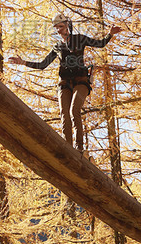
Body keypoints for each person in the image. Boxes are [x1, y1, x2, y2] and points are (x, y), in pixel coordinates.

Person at [10, 13, 121, 152]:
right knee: (64, 115)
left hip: (81, 81)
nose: (58, 30)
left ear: (67, 25)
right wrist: (23, 62)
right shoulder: (57, 47)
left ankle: (79, 147)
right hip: (64, 83)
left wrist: (109, 34)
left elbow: (100, 44)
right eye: (56, 27)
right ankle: (67, 148)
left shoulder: (79, 39)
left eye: (61, 26)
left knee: (74, 110)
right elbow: (42, 64)